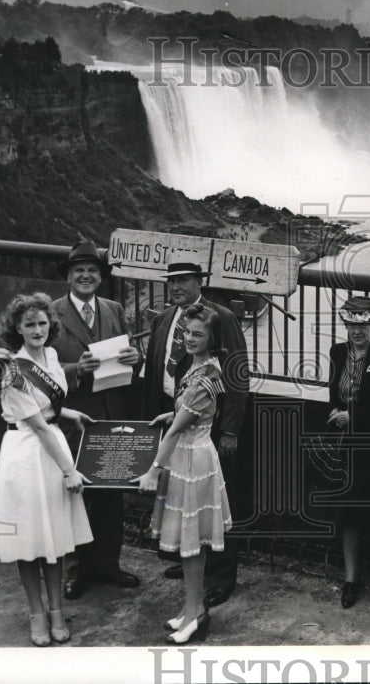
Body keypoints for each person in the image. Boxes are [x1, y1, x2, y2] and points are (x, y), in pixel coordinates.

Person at [0, 293, 94, 646]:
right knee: (29, 539)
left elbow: (48, 410)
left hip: (51, 445)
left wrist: (69, 413)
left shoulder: (52, 356)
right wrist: (68, 471)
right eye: (29, 324)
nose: (37, 329)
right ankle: (36, 613)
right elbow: (37, 425)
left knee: (55, 537)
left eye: (42, 323)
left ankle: (57, 611)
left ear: (51, 325)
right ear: (16, 328)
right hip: (27, 453)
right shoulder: (15, 371)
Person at [143, 262, 250, 610]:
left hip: (209, 424)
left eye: (184, 280)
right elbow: (158, 367)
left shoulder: (220, 318)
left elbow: (237, 375)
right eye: (172, 281)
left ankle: (220, 576)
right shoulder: (163, 320)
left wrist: (231, 429)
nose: (176, 287)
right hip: (174, 415)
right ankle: (191, 560)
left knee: (213, 501)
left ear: (199, 282)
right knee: (185, 499)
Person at [134, 304, 232, 644]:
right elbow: (186, 418)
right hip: (190, 453)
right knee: (191, 545)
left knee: (191, 544)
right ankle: (192, 609)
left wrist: (152, 471)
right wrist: (171, 415)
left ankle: (196, 614)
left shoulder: (205, 378)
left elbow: (177, 432)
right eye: (186, 332)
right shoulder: (199, 368)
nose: (189, 338)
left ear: (212, 339)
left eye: (197, 334)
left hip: (193, 461)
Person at [50, 240, 142, 600]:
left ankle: (108, 565)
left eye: (92, 271)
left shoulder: (114, 309)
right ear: (69, 278)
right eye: (79, 271)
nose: (86, 276)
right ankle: (75, 570)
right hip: (74, 417)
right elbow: (37, 366)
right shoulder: (52, 312)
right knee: (74, 494)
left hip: (112, 417)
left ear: (100, 278)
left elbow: (127, 355)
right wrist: (76, 369)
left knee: (110, 496)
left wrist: (138, 358)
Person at [321, 295, 370, 608]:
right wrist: (335, 414)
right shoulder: (337, 352)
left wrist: (351, 416)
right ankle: (351, 578)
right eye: (352, 324)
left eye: (364, 324)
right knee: (347, 514)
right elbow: (334, 394)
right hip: (343, 445)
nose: (357, 331)